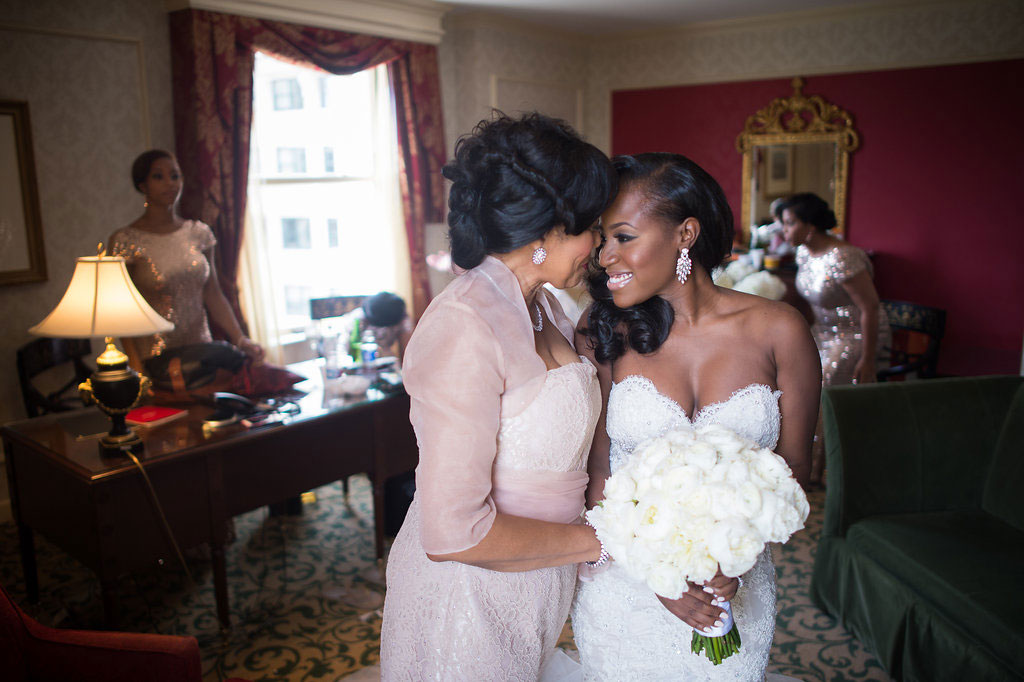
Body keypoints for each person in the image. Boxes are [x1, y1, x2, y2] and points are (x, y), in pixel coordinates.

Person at [379, 112, 616, 680]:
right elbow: (454, 532)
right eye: (592, 227)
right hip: (468, 599)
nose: (600, 245)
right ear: (545, 232)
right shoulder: (464, 325)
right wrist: (599, 543)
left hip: (537, 581)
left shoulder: (546, 307)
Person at [571, 153, 821, 680]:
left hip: (735, 584)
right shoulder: (604, 330)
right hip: (626, 588)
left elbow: (794, 470)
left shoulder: (780, 330)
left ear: (685, 233)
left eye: (622, 237)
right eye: (602, 240)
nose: (605, 257)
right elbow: (597, 473)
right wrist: (658, 577)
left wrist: (737, 560)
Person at [109, 150, 264, 370]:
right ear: (142, 185)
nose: (170, 184)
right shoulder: (126, 241)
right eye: (158, 176)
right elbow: (122, 309)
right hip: (155, 358)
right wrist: (135, 365)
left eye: (175, 176)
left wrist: (240, 339)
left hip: (201, 352)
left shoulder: (198, 233)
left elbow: (212, 293)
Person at [779, 192, 891, 486]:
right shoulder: (803, 252)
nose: (784, 231)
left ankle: (818, 470)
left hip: (856, 334)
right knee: (791, 375)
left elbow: (870, 308)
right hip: (823, 332)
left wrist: (868, 360)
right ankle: (791, 458)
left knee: (822, 383)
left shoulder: (845, 256)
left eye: (789, 224)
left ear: (810, 225)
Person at [337, 291, 414, 360]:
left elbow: (409, 347)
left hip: (386, 359)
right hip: (361, 359)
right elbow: (342, 350)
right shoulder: (357, 318)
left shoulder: (400, 315)